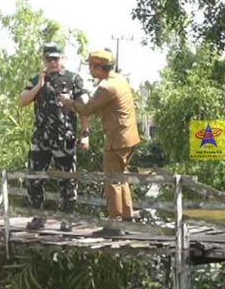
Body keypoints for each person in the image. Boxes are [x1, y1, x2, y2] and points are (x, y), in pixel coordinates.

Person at [59, 49, 140, 236]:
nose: (89, 70)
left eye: (90, 66)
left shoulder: (107, 87)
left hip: (117, 140)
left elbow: (87, 109)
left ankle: (115, 223)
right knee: (121, 177)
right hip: (129, 138)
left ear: (98, 67)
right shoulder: (119, 80)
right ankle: (127, 218)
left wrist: (68, 102)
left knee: (112, 180)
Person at [18, 43, 89, 231]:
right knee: (34, 178)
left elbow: (85, 108)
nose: (52, 62)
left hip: (65, 138)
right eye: (49, 59)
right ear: (43, 60)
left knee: (68, 179)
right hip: (41, 139)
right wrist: (39, 86)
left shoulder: (73, 79)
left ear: (62, 59)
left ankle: (67, 219)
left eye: (55, 58)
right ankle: (38, 217)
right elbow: (22, 101)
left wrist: (85, 134)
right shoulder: (36, 80)